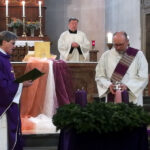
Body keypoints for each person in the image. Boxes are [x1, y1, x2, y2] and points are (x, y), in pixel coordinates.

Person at [95, 31, 148, 105]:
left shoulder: (138, 55)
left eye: (121, 44)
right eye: (116, 45)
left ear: (127, 42)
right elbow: (99, 76)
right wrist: (108, 85)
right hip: (112, 96)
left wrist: (128, 86)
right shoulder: (106, 55)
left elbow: (143, 77)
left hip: (132, 98)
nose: (118, 47)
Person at [0, 31, 32, 150]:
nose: (15, 46)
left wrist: (20, 84)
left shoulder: (4, 58)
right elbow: (2, 86)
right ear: (4, 42)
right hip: (3, 107)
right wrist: (20, 84)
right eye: (13, 43)